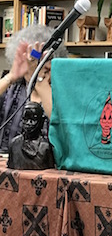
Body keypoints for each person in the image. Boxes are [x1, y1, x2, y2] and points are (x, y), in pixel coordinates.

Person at [0, 24, 68, 153]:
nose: (36, 65)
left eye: (43, 60)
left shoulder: (61, 92)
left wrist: (39, 81)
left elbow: (63, 125)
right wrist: (11, 76)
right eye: (31, 60)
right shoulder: (11, 90)